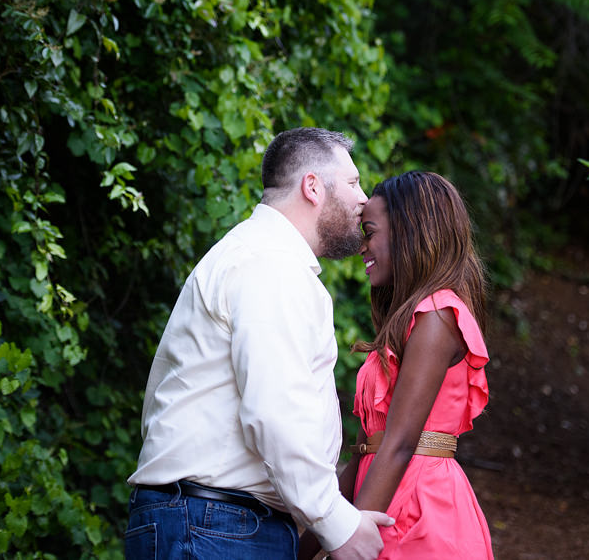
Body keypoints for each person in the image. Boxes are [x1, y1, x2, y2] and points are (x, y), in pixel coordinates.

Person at [126, 127, 394, 560]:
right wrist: (338, 525)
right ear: (312, 187)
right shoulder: (270, 265)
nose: (362, 198)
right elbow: (274, 411)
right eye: (352, 183)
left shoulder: (252, 255)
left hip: (207, 521)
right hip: (214, 527)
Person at [302, 170, 494, 559]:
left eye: (369, 231)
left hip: (421, 514)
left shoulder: (438, 315)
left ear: (409, 230)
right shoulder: (409, 322)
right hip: (381, 501)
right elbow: (366, 451)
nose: (362, 247)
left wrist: (347, 545)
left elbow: (401, 442)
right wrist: (306, 548)